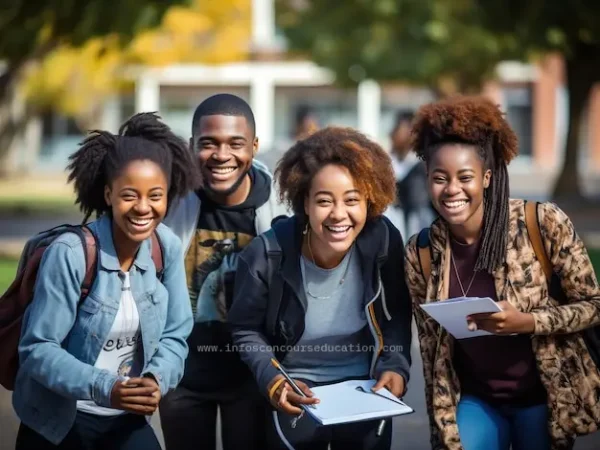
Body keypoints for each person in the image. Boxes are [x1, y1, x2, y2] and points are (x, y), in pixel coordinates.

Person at [404, 95, 600, 450]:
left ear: (488, 176)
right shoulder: (421, 252)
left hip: (544, 399)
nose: (452, 190)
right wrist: (441, 431)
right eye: (439, 178)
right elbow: (431, 350)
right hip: (477, 400)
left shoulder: (541, 222)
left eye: (465, 177)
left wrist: (527, 323)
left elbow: (593, 305)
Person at [12, 112, 199, 449]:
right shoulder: (71, 253)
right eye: (130, 195)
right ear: (109, 194)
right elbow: (38, 349)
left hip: (123, 419)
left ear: (169, 195)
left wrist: (156, 378)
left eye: (155, 195)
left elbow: (176, 333)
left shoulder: (165, 247)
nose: (143, 208)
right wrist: (107, 387)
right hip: (58, 420)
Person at [228, 126, 413, 450]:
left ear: (369, 200)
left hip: (364, 386)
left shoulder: (382, 240)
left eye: (352, 200)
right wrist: (273, 380)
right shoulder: (268, 252)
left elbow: (395, 315)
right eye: (324, 201)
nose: (339, 214)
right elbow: (245, 328)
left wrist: (395, 366)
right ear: (305, 203)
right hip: (296, 384)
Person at [159, 93, 287, 450]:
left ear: (254, 146)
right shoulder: (168, 200)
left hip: (251, 378)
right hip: (181, 377)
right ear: (191, 146)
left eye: (235, 143)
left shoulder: (281, 207)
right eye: (208, 144)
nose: (221, 155)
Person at [385, 110, 435, 241]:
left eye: (398, 128)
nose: (391, 133)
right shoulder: (389, 163)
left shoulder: (421, 167)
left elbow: (418, 205)